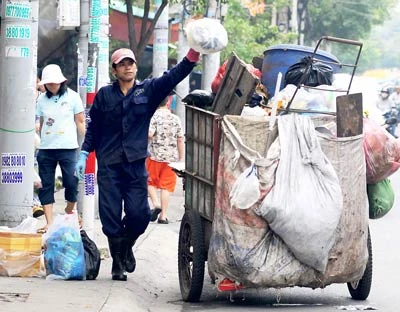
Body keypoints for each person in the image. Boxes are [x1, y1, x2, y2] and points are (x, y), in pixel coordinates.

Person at [75, 47, 200, 281]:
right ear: (115, 70)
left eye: (131, 62)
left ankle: (127, 246)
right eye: (122, 64)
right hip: (109, 164)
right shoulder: (104, 95)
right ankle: (117, 265)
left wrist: (191, 58)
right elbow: (94, 129)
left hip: (134, 165)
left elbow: (171, 77)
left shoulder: (148, 90)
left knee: (140, 214)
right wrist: (84, 153)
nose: (128, 66)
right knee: (110, 216)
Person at [36, 64, 85, 233]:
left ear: (61, 81)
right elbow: (42, 122)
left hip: (68, 147)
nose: (52, 85)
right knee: (46, 185)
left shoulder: (73, 97)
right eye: (48, 83)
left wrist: (88, 145)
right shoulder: (41, 99)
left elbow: (80, 121)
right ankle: (49, 222)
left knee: (72, 182)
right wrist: (41, 139)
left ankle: (69, 211)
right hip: (46, 148)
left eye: (54, 82)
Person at [147, 97, 184, 224]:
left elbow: (150, 134)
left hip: (155, 156)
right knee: (166, 187)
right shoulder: (176, 118)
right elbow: (180, 139)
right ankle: (163, 216)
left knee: (149, 182)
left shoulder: (154, 117)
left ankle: (156, 204)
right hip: (171, 159)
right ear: (168, 102)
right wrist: (180, 157)